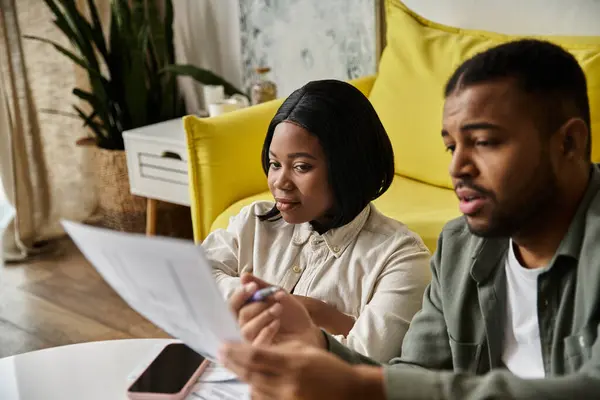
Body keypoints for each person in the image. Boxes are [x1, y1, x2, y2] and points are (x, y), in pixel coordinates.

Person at [218, 39, 600, 399]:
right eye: (451, 146)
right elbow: (411, 373)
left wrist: (356, 386)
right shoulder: (460, 248)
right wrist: (317, 345)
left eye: (483, 142)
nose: (457, 167)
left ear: (568, 143)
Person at [202, 79, 431, 363]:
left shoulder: (401, 259)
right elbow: (197, 280)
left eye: (301, 167)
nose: (279, 183)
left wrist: (318, 314)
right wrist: (288, 306)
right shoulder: (254, 222)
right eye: (274, 164)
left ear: (348, 167)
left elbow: (364, 366)